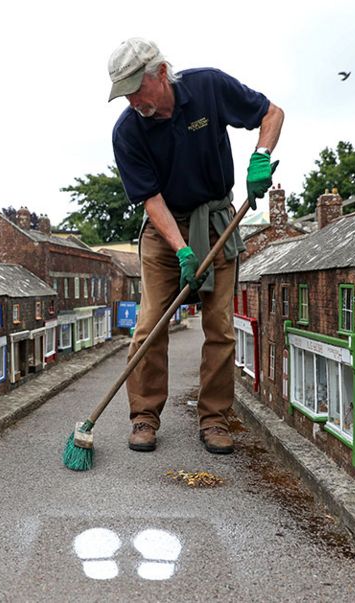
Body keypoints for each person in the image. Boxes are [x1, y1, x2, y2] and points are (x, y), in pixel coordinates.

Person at [108, 37, 283, 454]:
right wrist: (182, 250)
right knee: (149, 327)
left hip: (217, 220)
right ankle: (145, 418)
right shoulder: (128, 131)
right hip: (163, 230)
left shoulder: (208, 87)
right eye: (125, 93)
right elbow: (151, 200)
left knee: (220, 327)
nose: (133, 101)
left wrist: (260, 156)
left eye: (137, 89)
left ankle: (215, 420)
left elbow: (271, 113)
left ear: (162, 73)